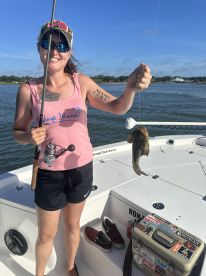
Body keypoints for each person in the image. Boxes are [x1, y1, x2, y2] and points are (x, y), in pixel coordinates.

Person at [13, 19, 152, 276]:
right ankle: (40, 273)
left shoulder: (82, 83)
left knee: (73, 224)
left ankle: (69, 268)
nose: (54, 49)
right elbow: (18, 133)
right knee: (46, 235)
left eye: (61, 44)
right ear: (38, 48)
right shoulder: (27, 90)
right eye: (47, 42)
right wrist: (29, 137)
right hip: (48, 173)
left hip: (81, 170)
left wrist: (131, 87)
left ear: (69, 51)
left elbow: (118, 107)